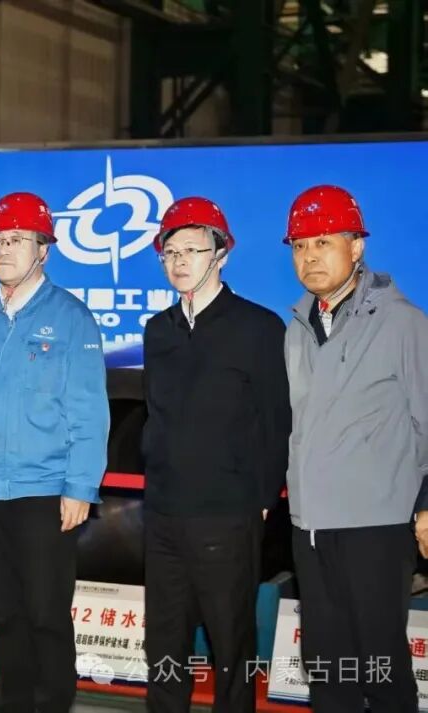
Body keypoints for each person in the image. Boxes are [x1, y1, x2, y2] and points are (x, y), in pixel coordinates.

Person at [0, 192, 109, 713]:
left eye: (18, 240)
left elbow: (89, 411)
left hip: (45, 493)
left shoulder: (71, 318)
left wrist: (80, 487)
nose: (4, 250)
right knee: (4, 613)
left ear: (44, 250)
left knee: (46, 615)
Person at [141, 197, 291, 713]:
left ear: (221, 254)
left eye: (192, 250)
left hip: (228, 515)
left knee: (231, 647)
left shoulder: (259, 328)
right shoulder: (157, 329)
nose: (179, 261)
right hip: (162, 514)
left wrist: (262, 499)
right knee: (163, 644)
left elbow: (277, 420)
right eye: (170, 252)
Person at [284, 184, 428, 713]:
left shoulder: (403, 323)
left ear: (357, 246)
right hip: (310, 526)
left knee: (380, 666)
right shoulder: (298, 327)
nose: (310, 257)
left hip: (376, 526)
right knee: (326, 668)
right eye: (300, 246)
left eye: (323, 242)